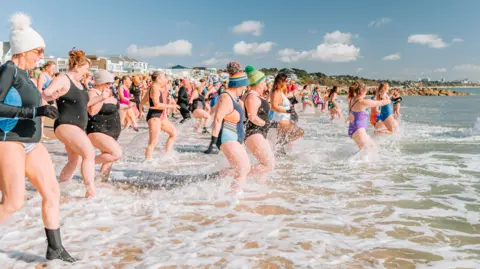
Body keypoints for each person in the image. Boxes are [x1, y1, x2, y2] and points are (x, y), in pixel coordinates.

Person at [0, 12, 76, 262]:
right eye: (38, 51)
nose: (41, 57)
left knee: (52, 192)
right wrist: (34, 110)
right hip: (9, 140)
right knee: (13, 202)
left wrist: (46, 105)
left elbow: (31, 102)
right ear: (23, 50)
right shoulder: (8, 69)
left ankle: (54, 248)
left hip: (32, 143)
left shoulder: (27, 76)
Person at [43, 49, 97, 198]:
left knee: (75, 160)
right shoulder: (64, 78)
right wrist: (51, 96)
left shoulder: (80, 83)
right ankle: (91, 191)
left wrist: (102, 97)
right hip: (66, 123)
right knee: (89, 153)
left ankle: (60, 189)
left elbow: (84, 104)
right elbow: (46, 93)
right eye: (86, 68)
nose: (87, 72)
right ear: (78, 66)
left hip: (77, 126)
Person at [204, 62, 250, 194]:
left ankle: (211, 180)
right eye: (244, 86)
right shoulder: (226, 97)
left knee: (244, 169)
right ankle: (232, 200)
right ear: (239, 84)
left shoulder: (233, 97)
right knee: (241, 170)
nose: (245, 88)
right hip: (227, 137)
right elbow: (218, 118)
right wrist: (213, 142)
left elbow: (213, 110)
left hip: (235, 138)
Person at [86, 70, 122, 181]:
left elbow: (113, 109)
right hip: (98, 129)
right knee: (116, 154)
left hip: (112, 130)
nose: (110, 85)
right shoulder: (93, 92)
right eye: (107, 83)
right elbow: (92, 111)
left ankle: (101, 183)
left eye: (111, 83)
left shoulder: (108, 92)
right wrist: (102, 97)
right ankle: (87, 162)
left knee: (109, 159)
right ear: (100, 82)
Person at [243, 65, 275, 179]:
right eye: (263, 82)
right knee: (268, 165)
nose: (264, 85)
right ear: (258, 83)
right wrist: (266, 124)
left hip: (259, 133)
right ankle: (239, 176)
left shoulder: (255, 95)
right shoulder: (252, 96)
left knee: (268, 163)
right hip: (254, 133)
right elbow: (252, 117)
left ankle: (260, 190)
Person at [141, 71, 179, 160]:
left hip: (161, 116)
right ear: (158, 79)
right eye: (164, 77)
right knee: (153, 142)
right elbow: (157, 104)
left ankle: (167, 155)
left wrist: (140, 111)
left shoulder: (160, 87)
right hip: (154, 116)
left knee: (173, 133)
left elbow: (142, 101)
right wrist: (172, 106)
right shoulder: (154, 88)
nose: (166, 79)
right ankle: (147, 162)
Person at [348, 82, 391, 150]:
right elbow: (380, 103)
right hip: (358, 130)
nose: (366, 93)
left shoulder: (352, 99)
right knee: (371, 149)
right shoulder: (363, 102)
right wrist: (389, 100)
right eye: (366, 91)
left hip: (352, 129)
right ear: (363, 91)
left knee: (367, 150)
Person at [270, 74, 304, 153]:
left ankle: (278, 152)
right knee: (300, 132)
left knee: (281, 142)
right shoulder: (276, 92)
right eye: (286, 81)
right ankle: (278, 148)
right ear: (281, 82)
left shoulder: (279, 91)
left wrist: (292, 94)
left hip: (284, 120)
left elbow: (282, 101)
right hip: (281, 120)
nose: (287, 83)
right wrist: (287, 111)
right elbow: (274, 106)